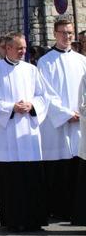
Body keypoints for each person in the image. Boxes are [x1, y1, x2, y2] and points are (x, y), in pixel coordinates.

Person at [0, 32, 48, 232]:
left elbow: (43, 96)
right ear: (7, 48)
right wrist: (12, 107)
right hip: (6, 134)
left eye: (24, 48)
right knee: (11, 180)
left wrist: (32, 105)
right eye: (19, 48)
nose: (23, 51)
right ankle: (13, 220)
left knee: (31, 178)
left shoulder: (32, 70)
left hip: (28, 132)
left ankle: (34, 220)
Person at [38, 19, 86, 221]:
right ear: (55, 34)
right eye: (63, 32)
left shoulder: (82, 60)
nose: (67, 36)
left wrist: (81, 113)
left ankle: (77, 209)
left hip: (82, 120)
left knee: (78, 165)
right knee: (59, 166)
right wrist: (66, 114)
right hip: (57, 123)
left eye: (70, 32)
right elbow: (46, 93)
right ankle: (58, 208)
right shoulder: (45, 62)